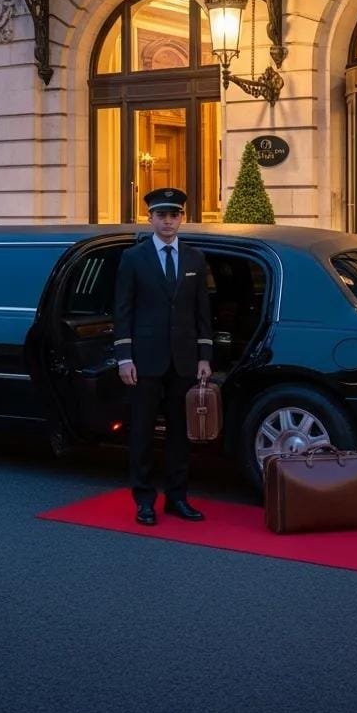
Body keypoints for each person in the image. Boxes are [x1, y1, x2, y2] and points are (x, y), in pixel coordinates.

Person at [113, 187, 213, 526]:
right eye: (161, 215)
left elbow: (203, 311)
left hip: (184, 361)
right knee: (141, 432)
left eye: (174, 215)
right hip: (144, 362)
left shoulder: (195, 258)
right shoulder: (133, 258)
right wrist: (124, 357)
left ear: (182, 218)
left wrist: (205, 355)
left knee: (179, 434)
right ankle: (143, 501)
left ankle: (177, 498)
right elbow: (122, 310)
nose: (168, 221)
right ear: (150, 218)